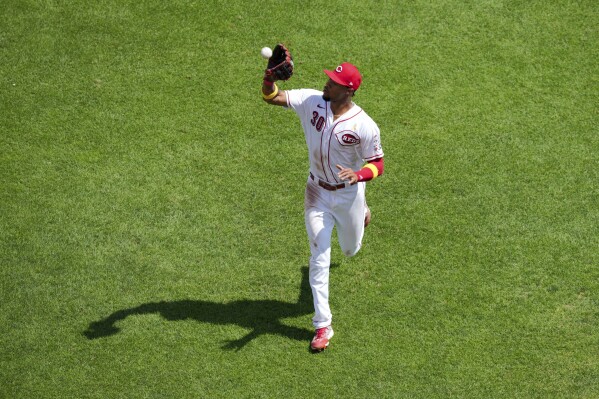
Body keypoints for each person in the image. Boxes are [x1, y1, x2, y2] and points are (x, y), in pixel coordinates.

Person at [261, 61, 385, 351]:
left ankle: (363, 211)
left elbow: (377, 162)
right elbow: (271, 97)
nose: (327, 83)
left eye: (334, 82)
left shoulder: (363, 125)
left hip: (349, 195)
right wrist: (268, 79)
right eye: (329, 79)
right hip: (316, 192)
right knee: (319, 256)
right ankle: (322, 326)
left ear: (349, 90)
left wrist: (359, 175)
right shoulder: (311, 100)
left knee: (350, 249)